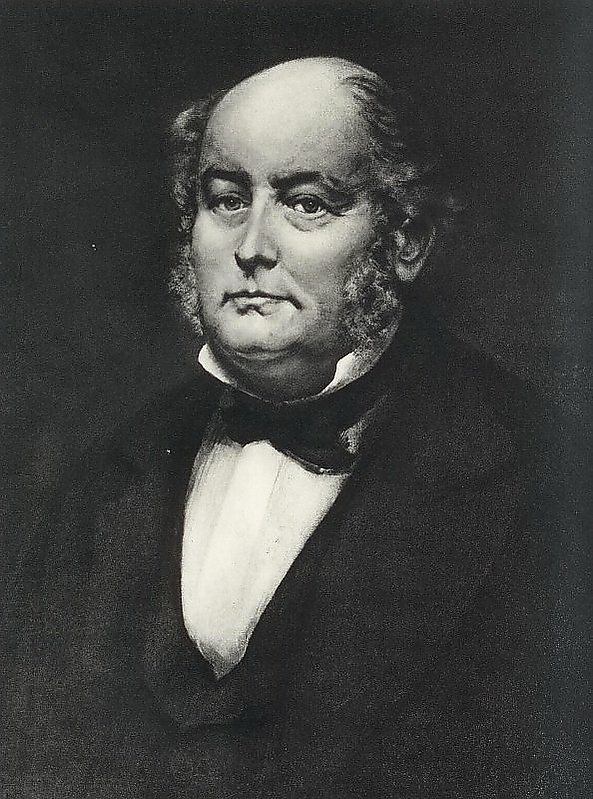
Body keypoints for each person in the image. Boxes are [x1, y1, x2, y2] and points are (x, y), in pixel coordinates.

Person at [4, 57, 564, 798]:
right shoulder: (106, 471)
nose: (251, 246)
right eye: (226, 200)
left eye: (305, 204)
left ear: (405, 241)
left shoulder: (540, 473)